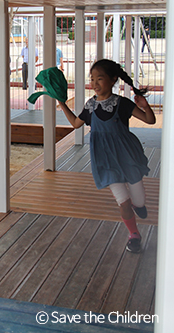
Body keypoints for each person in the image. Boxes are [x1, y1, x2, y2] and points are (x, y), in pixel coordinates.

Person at [56, 59, 156, 253]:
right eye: (92, 79)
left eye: (99, 78)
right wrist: (61, 103)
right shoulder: (90, 106)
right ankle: (134, 235)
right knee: (123, 201)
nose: (94, 83)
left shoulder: (122, 103)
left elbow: (149, 120)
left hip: (128, 157)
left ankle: (139, 205)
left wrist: (145, 106)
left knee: (138, 200)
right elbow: (76, 124)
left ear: (113, 80)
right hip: (105, 160)